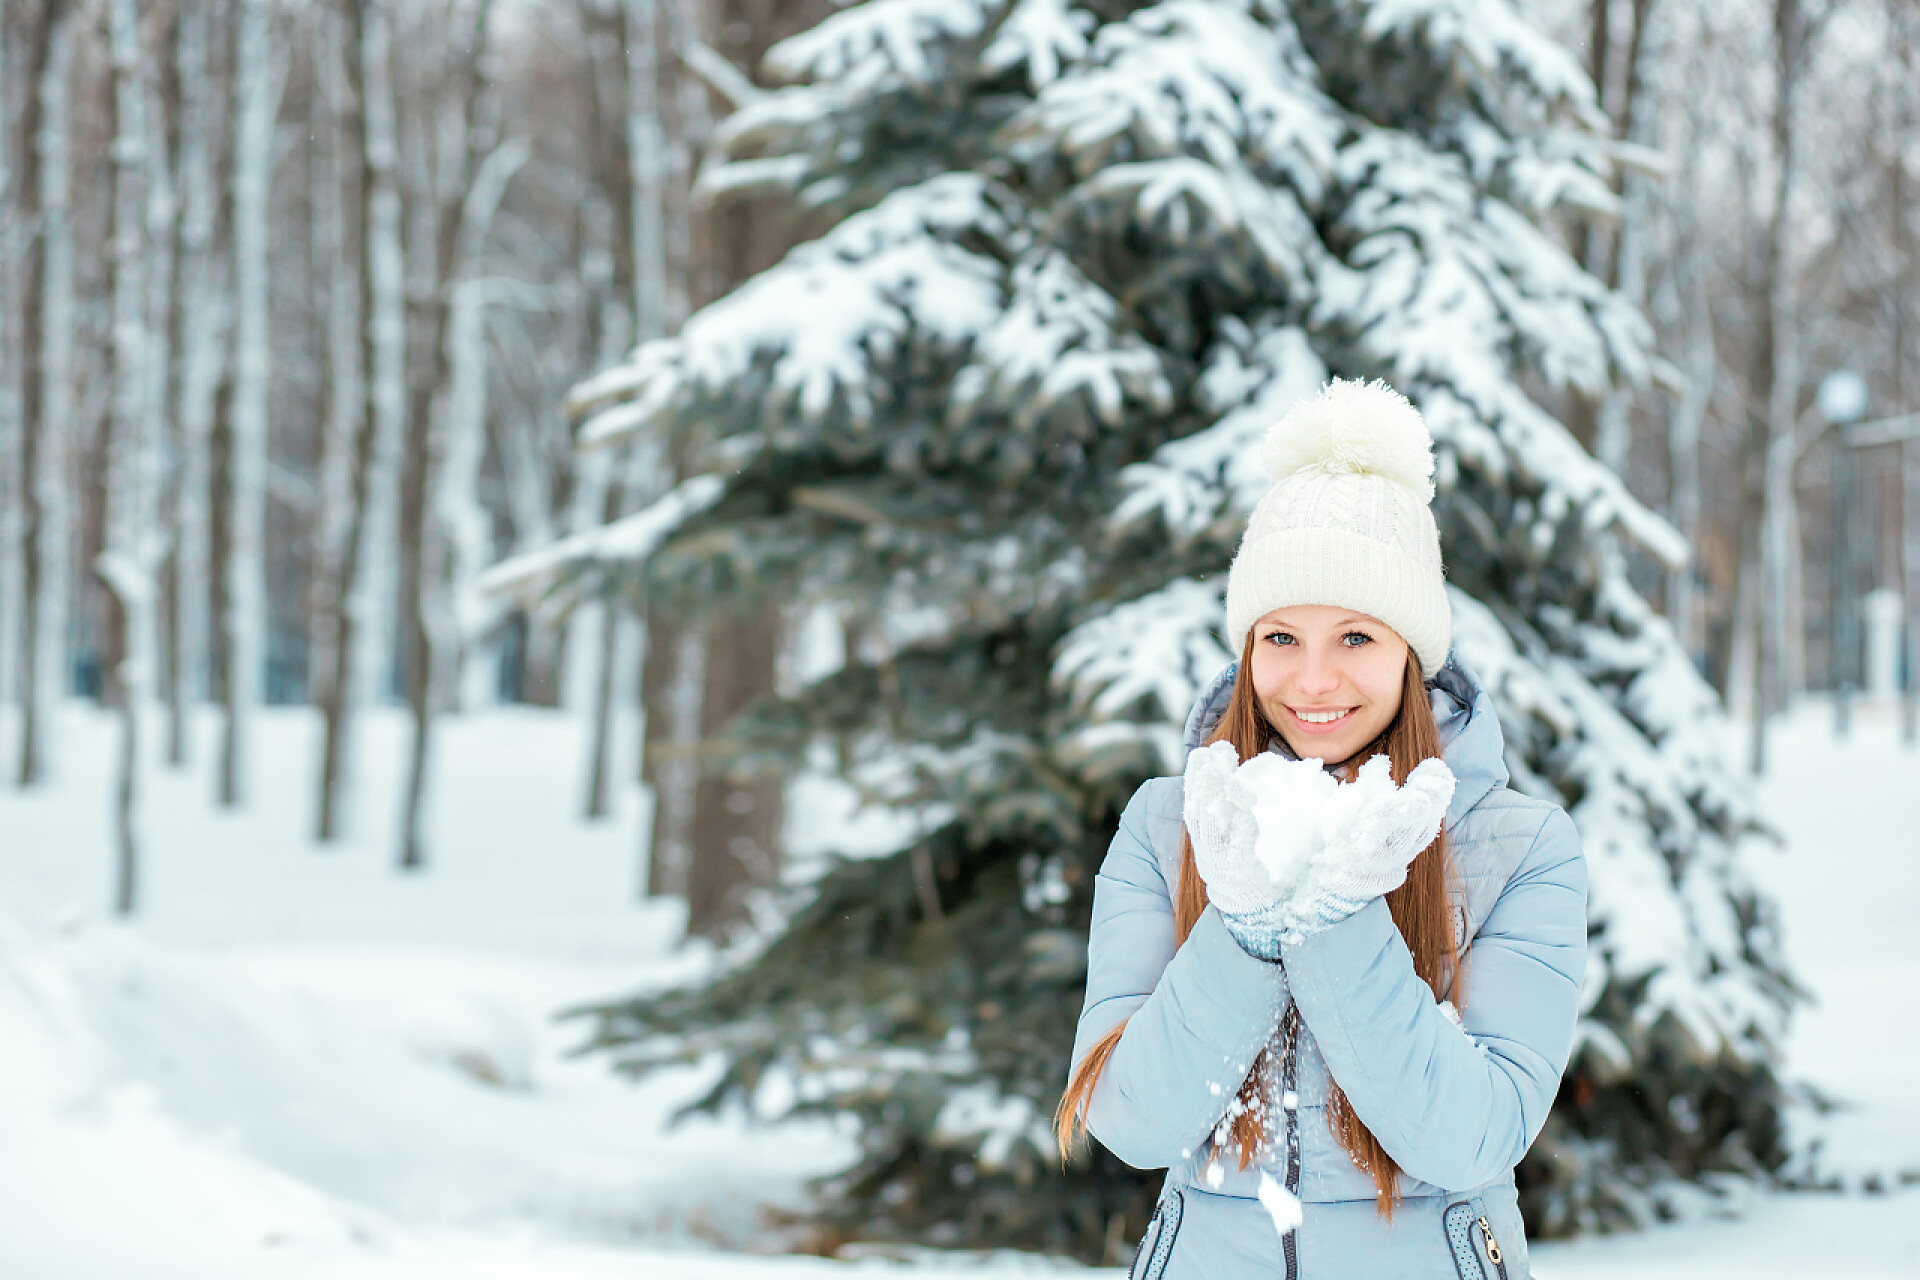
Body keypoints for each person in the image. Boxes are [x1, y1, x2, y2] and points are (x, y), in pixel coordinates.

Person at [1055, 380, 1586, 1280]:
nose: (1311, 681)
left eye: (1355, 639)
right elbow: (1131, 1122)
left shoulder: (1519, 846)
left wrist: (1339, 914)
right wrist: (1245, 930)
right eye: (1280, 638)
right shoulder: (1166, 826)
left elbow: (1475, 1137)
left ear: (1413, 653)